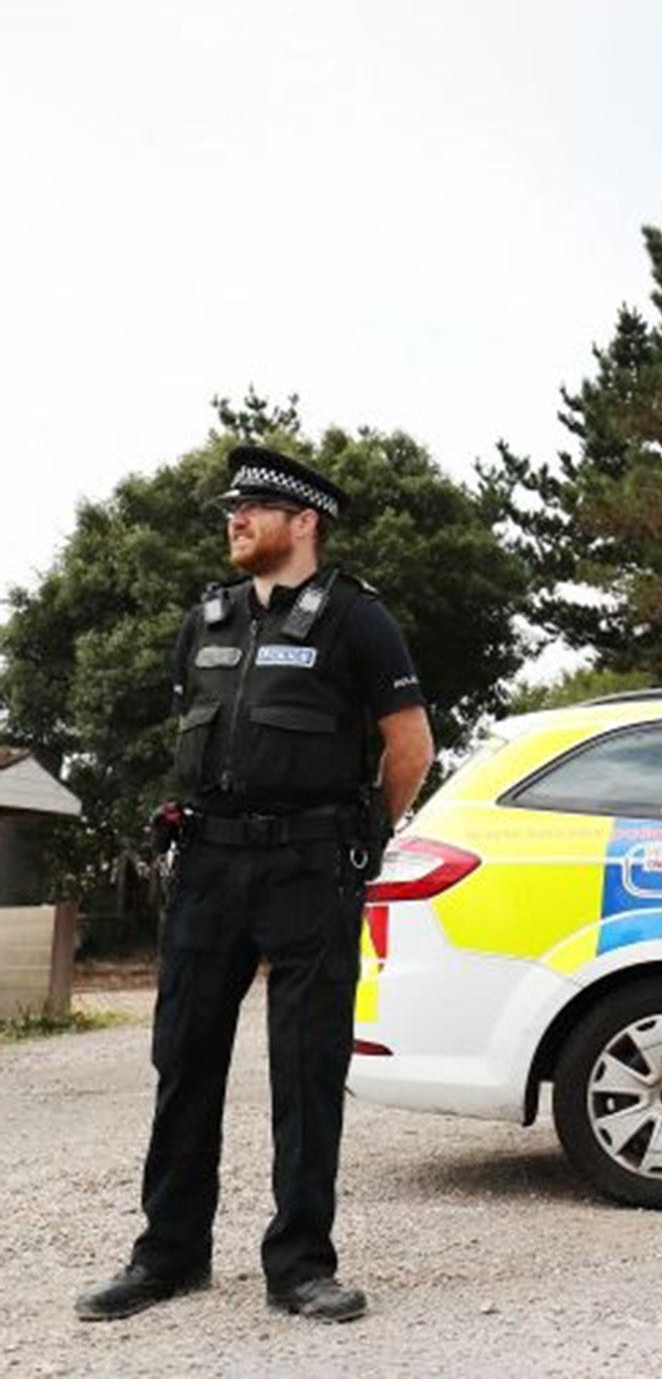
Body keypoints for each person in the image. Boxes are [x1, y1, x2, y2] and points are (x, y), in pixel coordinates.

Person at [77, 445, 434, 1324]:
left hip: (310, 867)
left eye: (253, 508)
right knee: (183, 1060)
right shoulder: (206, 618)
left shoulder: (357, 620)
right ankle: (167, 1255)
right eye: (231, 509)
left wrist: (365, 838)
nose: (234, 520)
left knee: (306, 1071)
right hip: (208, 865)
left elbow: (410, 746)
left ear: (303, 520)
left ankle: (301, 1266)